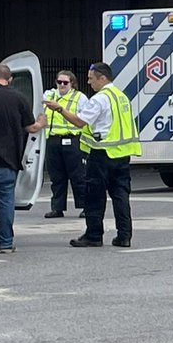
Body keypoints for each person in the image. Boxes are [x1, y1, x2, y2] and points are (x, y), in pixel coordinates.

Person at [44, 62, 140, 249]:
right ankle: (124, 236)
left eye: (91, 78)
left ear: (102, 78)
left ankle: (93, 235)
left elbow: (80, 122)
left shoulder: (100, 99)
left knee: (94, 196)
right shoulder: (121, 97)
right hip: (122, 154)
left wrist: (60, 109)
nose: (89, 82)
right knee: (121, 196)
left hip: (102, 153)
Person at [0, 63, 45, 253]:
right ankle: (6, 243)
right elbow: (31, 128)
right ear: (10, 79)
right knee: (7, 202)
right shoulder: (19, 98)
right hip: (8, 162)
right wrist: (41, 122)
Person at [42, 69, 87, 219]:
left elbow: (84, 119)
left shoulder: (79, 97)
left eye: (65, 82)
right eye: (59, 82)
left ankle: (85, 206)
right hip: (53, 140)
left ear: (72, 84)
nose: (61, 85)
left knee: (78, 176)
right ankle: (57, 208)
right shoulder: (49, 95)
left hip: (72, 140)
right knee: (56, 176)